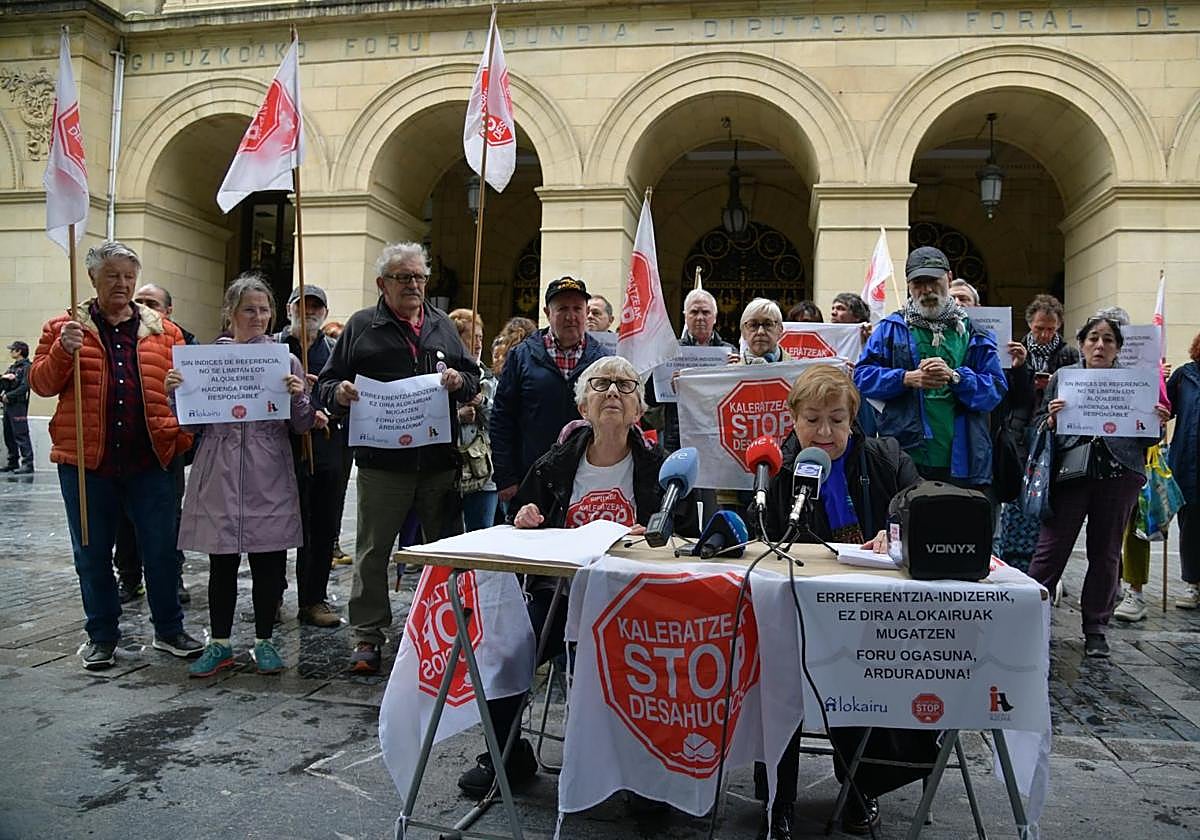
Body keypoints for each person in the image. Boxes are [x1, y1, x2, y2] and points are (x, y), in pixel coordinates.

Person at [457, 356, 696, 798]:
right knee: (504, 652)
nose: (612, 392)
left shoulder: (662, 470)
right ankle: (507, 757)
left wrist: (660, 536)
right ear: (583, 407)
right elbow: (522, 518)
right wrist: (526, 516)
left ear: (638, 410)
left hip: (637, 604)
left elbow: (691, 536)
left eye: (625, 386)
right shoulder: (555, 462)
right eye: (600, 384)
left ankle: (646, 771)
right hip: (561, 597)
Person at [757, 364, 929, 837]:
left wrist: (893, 531)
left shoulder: (885, 457)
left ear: (853, 418)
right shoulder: (774, 469)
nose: (825, 431)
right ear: (792, 419)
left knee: (858, 674)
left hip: (871, 615)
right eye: (812, 419)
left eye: (836, 418)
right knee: (781, 675)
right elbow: (763, 540)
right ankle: (779, 796)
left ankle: (860, 783)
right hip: (797, 611)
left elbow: (919, 504)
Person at [29, 240, 202, 671]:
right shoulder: (62, 328)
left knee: (161, 550)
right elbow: (42, 385)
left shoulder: (166, 331)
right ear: (92, 279)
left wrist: (180, 426)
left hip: (151, 461)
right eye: (112, 276)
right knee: (91, 552)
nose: (122, 284)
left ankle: (169, 630)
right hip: (88, 463)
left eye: (128, 276)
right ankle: (102, 635)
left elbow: (187, 393)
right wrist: (60, 352)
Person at [317, 242, 479, 674]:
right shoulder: (361, 326)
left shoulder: (443, 325)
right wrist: (339, 394)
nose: (413, 285)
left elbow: (473, 377)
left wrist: (458, 379)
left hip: (437, 462)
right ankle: (367, 635)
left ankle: (451, 629)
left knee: (446, 549)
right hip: (381, 463)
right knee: (373, 551)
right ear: (381, 284)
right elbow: (328, 381)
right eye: (403, 277)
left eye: (419, 278)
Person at [172, 273, 315, 676]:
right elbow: (189, 425)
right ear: (230, 313)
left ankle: (265, 640)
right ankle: (219, 643)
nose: (258, 316)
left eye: (264, 309)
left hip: (267, 470)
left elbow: (302, 426)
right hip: (219, 470)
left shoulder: (284, 359)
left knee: (269, 559)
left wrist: (298, 394)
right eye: (249, 309)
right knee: (222, 561)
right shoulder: (204, 359)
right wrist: (177, 391)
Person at [1027, 315, 1170, 658]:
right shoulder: (1064, 378)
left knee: (1105, 555)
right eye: (1093, 338)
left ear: (1118, 348)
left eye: (1108, 340)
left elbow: (1149, 436)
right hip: (1070, 475)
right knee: (1051, 550)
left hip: (1119, 476)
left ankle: (1096, 629)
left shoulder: (1137, 382)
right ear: (1082, 343)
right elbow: (1038, 425)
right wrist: (1050, 419)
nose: (1100, 346)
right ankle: (1030, 620)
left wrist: (1159, 422)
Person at [853, 246, 1006, 492]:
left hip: (963, 460)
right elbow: (861, 377)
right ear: (909, 287)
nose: (927, 290)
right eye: (918, 283)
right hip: (905, 456)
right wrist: (906, 378)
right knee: (907, 527)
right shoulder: (891, 328)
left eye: (933, 281)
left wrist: (955, 377)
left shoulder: (975, 333)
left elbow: (995, 391)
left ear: (948, 277)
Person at [490, 276, 610, 509]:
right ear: (547, 312)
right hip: (530, 479)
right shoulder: (521, 356)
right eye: (562, 308)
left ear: (586, 312)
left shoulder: (602, 359)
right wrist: (506, 477)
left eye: (577, 308)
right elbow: (501, 419)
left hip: (586, 480)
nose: (571, 316)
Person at [111, 283, 197, 605]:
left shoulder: (185, 341)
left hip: (165, 447)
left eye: (153, 302)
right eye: (141, 301)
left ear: (168, 310)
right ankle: (129, 579)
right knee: (124, 519)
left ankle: (172, 580)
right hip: (125, 445)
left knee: (167, 519)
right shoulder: (121, 336)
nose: (145, 306)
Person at [275, 285, 346, 627]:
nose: (309, 312)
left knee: (321, 526)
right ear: (289, 310)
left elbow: (344, 393)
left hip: (326, 446)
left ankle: (313, 599)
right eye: (302, 306)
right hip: (280, 447)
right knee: (274, 524)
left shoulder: (335, 351)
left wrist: (323, 402)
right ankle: (271, 595)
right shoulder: (271, 348)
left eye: (316, 307)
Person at [994, 295, 1077, 572]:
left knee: (1046, 497)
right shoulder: (1016, 349)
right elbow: (1010, 395)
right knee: (1019, 495)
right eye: (1039, 327)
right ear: (1030, 323)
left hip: (1053, 431)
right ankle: (1013, 560)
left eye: (1050, 329)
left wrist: (1054, 385)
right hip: (1021, 428)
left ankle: (1040, 563)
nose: (1044, 334)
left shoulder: (1068, 354)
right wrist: (1023, 373)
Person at [449, 308, 498, 532]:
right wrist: (457, 416)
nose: (478, 344)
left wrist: (481, 403)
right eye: (471, 337)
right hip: (447, 469)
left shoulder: (488, 378)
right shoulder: (439, 374)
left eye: (480, 337)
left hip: (481, 472)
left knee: (481, 534)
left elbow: (498, 420)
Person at [1166, 332, 1200, 609]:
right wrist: (1157, 381)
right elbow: (1166, 408)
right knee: (1190, 524)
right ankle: (1192, 583)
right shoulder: (1184, 376)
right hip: (1188, 462)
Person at [0, 340, 34, 473]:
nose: (11, 352)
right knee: (8, 434)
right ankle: (13, 461)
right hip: (8, 405)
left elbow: (25, 386)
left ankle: (28, 463)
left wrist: (10, 396)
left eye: (12, 350)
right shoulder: (13, 367)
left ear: (19, 351)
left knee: (21, 434)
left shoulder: (27, 367)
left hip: (18, 405)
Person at [738, 298, 786, 364]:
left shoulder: (800, 371)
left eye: (768, 324)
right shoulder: (730, 372)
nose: (760, 332)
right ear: (743, 332)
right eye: (753, 325)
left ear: (780, 330)